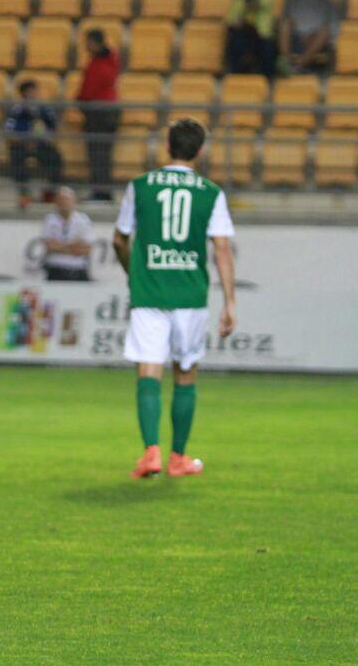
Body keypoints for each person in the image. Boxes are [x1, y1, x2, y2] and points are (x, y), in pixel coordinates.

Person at [113, 118, 236, 480]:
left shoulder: (140, 186)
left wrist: (132, 273)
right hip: (190, 294)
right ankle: (178, 457)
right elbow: (223, 249)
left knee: (148, 369)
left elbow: (120, 239)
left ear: (167, 146)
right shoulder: (210, 192)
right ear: (200, 151)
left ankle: (151, 451)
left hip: (149, 292)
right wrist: (230, 302)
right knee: (185, 373)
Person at [5, 77, 63, 207]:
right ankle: (24, 193)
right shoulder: (17, 110)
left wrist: (43, 140)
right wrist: (23, 141)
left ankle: (51, 193)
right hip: (21, 145)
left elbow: (54, 128)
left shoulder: (44, 109)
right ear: (24, 93)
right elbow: (9, 131)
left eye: (35, 91)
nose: (34, 94)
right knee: (17, 158)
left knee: (56, 158)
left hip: (41, 144)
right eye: (31, 91)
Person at [77, 29, 121, 200]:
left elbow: (92, 87)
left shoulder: (103, 62)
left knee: (99, 153)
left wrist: (82, 100)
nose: (86, 46)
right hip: (99, 111)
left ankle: (102, 191)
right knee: (98, 153)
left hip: (100, 112)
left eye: (89, 42)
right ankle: (100, 190)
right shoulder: (104, 61)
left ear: (96, 43)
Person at [280, 0, 339, 72]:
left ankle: (301, 63)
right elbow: (285, 18)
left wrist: (312, 34)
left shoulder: (327, 2)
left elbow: (334, 27)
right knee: (285, 25)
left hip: (315, 39)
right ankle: (286, 63)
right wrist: (300, 33)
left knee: (325, 32)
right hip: (296, 37)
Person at [224, 0, 278, 78]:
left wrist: (247, 4)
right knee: (234, 37)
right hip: (245, 35)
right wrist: (236, 22)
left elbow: (258, 5)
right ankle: (237, 73)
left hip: (262, 37)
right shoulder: (239, 0)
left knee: (269, 45)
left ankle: (267, 76)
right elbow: (230, 19)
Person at [41, 187, 95, 281]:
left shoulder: (83, 220)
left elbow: (87, 249)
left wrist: (60, 246)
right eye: (61, 199)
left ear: (74, 202)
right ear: (56, 202)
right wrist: (73, 246)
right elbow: (49, 247)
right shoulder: (49, 220)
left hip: (78, 270)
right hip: (55, 270)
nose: (64, 203)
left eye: (67, 199)